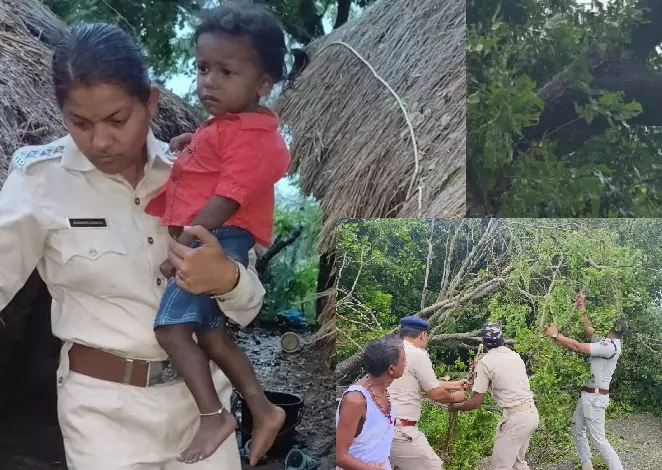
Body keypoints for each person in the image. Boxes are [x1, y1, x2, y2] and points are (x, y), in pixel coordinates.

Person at [0, 22, 266, 470]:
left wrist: (228, 279)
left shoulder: (197, 173)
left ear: (151, 101)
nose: (100, 142)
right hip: (103, 416)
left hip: (204, 405)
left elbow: (249, 306)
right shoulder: (38, 181)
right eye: (80, 123)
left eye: (117, 120)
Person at [142, 4, 307, 464]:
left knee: (172, 328)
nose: (209, 81)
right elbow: (212, 160)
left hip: (221, 237)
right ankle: (263, 408)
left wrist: (184, 248)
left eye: (226, 71)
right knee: (212, 338)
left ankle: (214, 415)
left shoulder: (259, 140)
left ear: (262, 84)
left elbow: (225, 200)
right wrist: (188, 143)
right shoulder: (227, 126)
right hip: (217, 234)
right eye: (203, 68)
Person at [544, 292, 625, 470]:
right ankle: (587, 464)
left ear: (611, 329)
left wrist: (555, 335)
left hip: (595, 399)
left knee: (599, 440)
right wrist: (581, 306)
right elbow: (588, 330)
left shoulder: (609, 347)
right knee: (577, 429)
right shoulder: (607, 342)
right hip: (587, 395)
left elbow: (578, 346)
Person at [451, 323, 539, 470]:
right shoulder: (514, 355)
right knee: (518, 463)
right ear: (502, 339)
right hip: (531, 413)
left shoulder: (486, 362)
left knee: (500, 467)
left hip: (515, 419)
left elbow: (476, 402)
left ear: (484, 343)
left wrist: (456, 406)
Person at [388, 316, 468, 469]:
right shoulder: (416, 353)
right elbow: (435, 393)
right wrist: (454, 397)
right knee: (433, 466)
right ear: (422, 334)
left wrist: (454, 384)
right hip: (401, 430)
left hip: (381, 426)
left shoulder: (392, 350)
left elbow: (423, 382)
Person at [336, 335, 405, 470]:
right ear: (391, 369)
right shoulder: (356, 400)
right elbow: (339, 456)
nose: (406, 364)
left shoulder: (383, 390)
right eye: (404, 360)